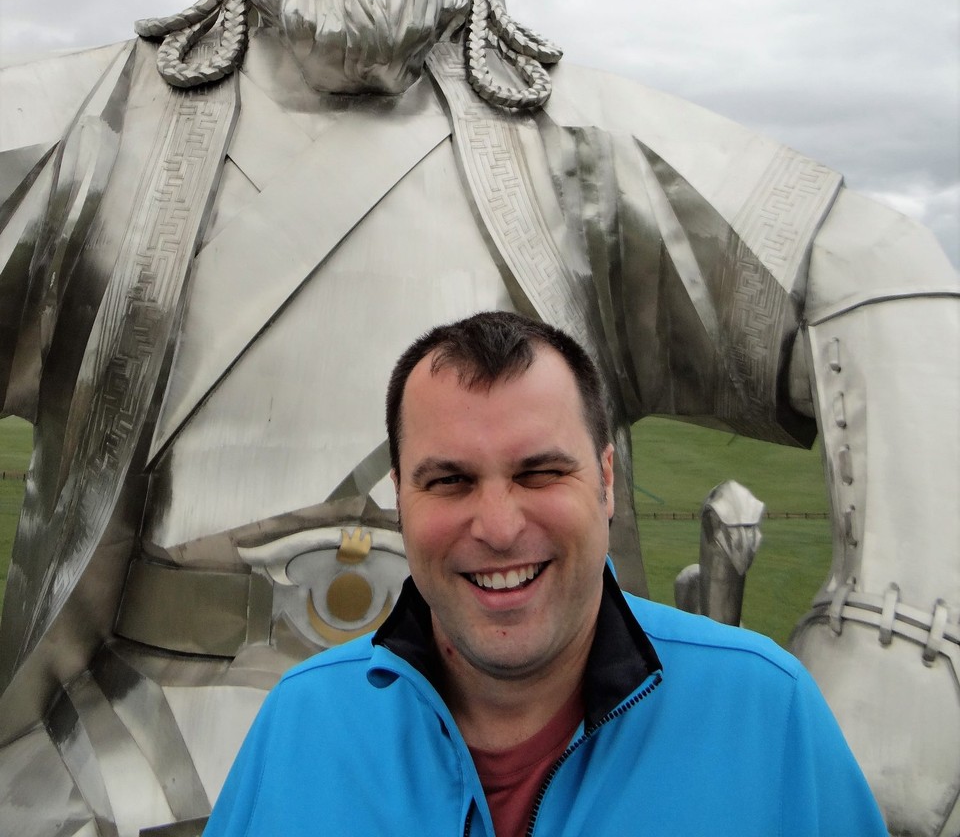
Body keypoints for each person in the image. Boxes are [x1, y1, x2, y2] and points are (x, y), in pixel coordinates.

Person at [0, 0, 956, 835]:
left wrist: (903, 634)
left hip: (524, 729)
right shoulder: (102, 127)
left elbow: (873, 264)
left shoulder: (564, 144)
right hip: (124, 744)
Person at [205, 310, 888, 836]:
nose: (499, 528)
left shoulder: (767, 716)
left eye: (541, 472)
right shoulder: (300, 726)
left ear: (608, 481)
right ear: (399, 497)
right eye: (448, 481)